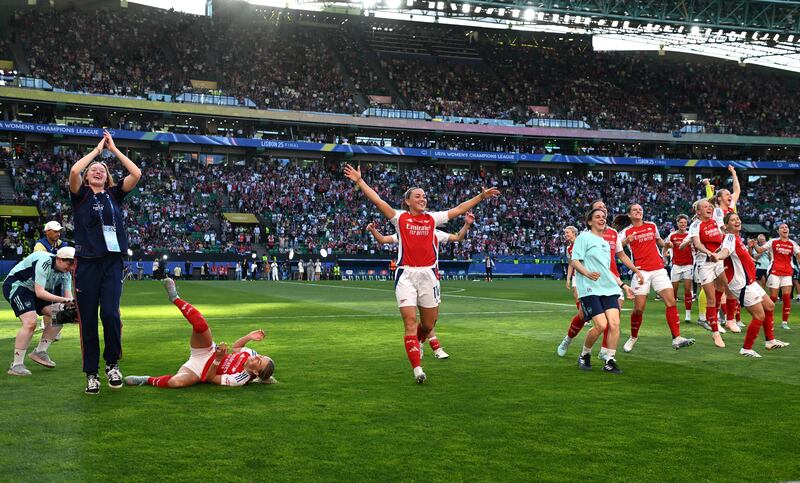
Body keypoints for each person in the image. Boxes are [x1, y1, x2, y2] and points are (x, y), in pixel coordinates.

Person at [344, 163, 498, 383]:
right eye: (417, 196)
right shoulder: (400, 219)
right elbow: (378, 201)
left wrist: (480, 197)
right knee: (409, 322)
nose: (422, 198)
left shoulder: (432, 220)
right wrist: (360, 181)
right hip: (406, 274)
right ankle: (417, 369)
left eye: (424, 196)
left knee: (428, 325)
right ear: (408, 201)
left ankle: (420, 342)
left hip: (429, 276)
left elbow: (459, 209)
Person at [69, 130, 141, 394]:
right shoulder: (80, 195)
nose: (97, 171)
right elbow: (75, 171)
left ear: (107, 177)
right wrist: (97, 152)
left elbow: (136, 174)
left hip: (112, 263)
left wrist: (114, 149)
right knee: (87, 320)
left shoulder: (114, 194)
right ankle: (91, 373)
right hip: (87, 264)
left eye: (102, 169)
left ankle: (112, 364)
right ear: (88, 176)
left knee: (110, 315)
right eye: (93, 169)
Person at [124, 279, 276, 388]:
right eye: (261, 356)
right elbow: (237, 347)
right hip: (207, 351)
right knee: (200, 325)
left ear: (256, 372)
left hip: (200, 370)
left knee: (176, 382)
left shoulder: (240, 378)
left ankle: (147, 379)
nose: (257, 356)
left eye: (259, 361)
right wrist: (249, 336)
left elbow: (211, 378)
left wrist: (217, 360)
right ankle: (175, 298)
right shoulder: (250, 354)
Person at [367, 213, 474, 360]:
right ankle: (433, 346)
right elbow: (384, 239)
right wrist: (373, 230)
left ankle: (421, 341)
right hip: (409, 275)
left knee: (431, 320)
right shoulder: (407, 231)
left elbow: (458, 238)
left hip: (430, 278)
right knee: (415, 318)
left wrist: (467, 224)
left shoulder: (436, 233)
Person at [616, 204, 696, 352]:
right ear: (629, 214)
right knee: (639, 309)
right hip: (641, 271)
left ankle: (676, 338)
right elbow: (617, 248)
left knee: (671, 302)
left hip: (658, 269)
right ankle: (633, 337)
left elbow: (658, 241)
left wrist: (666, 244)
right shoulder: (626, 232)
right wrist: (627, 241)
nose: (638, 211)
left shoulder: (652, 225)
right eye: (635, 210)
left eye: (640, 209)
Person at [714, 213, 789, 356]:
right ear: (726, 225)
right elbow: (725, 251)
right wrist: (719, 256)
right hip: (741, 285)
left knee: (770, 306)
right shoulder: (730, 237)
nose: (737, 221)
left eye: (737, 218)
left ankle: (770, 341)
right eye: (733, 220)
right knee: (759, 316)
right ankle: (746, 348)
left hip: (750, 282)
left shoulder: (737, 238)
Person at [571, 208, 634, 374]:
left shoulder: (606, 243)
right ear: (589, 221)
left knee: (615, 323)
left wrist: (623, 285)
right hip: (590, 289)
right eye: (597, 217)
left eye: (603, 217)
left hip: (608, 288)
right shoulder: (583, 237)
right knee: (601, 325)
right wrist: (587, 273)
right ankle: (585, 354)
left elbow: (607, 270)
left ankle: (610, 360)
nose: (601, 219)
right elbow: (575, 261)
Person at [4, 247, 75, 375]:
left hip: (36, 291)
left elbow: (68, 297)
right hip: (19, 286)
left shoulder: (66, 273)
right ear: (58, 259)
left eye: (73, 264)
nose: (71, 267)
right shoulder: (45, 262)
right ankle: (16, 365)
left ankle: (40, 352)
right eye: (69, 263)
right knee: (30, 322)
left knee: (61, 315)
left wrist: (72, 306)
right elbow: (40, 292)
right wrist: (65, 301)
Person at [682, 199, 731, 348]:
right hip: (705, 264)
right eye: (705, 207)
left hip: (718, 260)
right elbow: (697, 244)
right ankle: (715, 333)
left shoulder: (715, 222)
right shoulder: (696, 225)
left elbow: (722, 237)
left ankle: (715, 317)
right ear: (698, 212)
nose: (709, 208)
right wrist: (709, 253)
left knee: (724, 287)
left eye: (710, 206)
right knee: (710, 298)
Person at [752, 223, 800, 330]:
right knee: (773, 298)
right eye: (782, 227)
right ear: (778, 231)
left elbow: (798, 256)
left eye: (786, 227)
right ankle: (768, 319)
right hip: (774, 272)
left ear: (788, 230)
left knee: (786, 298)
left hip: (787, 273)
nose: (785, 229)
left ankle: (784, 322)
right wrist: (755, 245)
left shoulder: (793, 244)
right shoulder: (773, 241)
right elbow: (760, 250)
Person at [33, 221, 69, 334]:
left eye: (59, 231)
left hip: (59, 278)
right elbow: (43, 262)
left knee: (57, 303)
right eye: (55, 231)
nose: (58, 234)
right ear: (47, 232)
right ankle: (47, 326)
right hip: (44, 279)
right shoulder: (39, 245)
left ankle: (54, 329)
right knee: (47, 303)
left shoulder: (63, 244)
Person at [663, 214, 695, 323]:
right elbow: (665, 245)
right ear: (677, 223)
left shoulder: (690, 235)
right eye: (681, 222)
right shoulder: (672, 235)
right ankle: (675, 313)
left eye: (685, 223)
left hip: (688, 265)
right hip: (676, 265)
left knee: (687, 289)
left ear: (687, 224)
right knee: (674, 291)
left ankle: (688, 315)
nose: (683, 224)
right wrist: (664, 256)